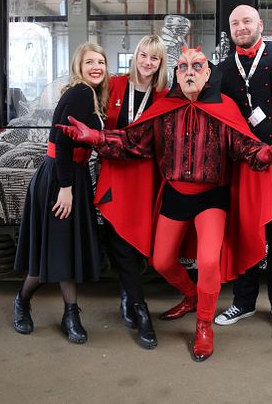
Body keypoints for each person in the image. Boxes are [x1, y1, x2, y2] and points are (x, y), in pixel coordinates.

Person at [58, 46, 272, 361]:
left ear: (208, 73)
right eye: (182, 67)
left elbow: (244, 147)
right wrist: (94, 138)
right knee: (162, 261)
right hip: (175, 195)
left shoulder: (225, 107)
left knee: (209, 261)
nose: (190, 72)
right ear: (176, 74)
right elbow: (130, 143)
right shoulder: (165, 108)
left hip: (212, 197)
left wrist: (263, 155)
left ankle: (204, 325)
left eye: (197, 66)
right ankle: (193, 296)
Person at [12, 42, 109, 344]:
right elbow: (61, 139)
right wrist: (65, 189)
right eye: (89, 61)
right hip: (61, 178)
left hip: (67, 175)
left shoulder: (87, 94)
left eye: (101, 62)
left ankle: (68, 312)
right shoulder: (81, 92)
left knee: (60, 248)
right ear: (79, 67)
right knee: (55, 250)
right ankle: (25, 302)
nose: (96, 67)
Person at [214, 4, 272, 332]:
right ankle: (243, 302)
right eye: (235, 23)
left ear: (260, 24)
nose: (241, 27)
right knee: (245, 235)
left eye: (247, 21)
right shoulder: (221, 70)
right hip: (244, 168)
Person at [95, 35, 168, 349]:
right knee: (117, 239)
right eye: (143, 56)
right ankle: (139, 307)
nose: (148, 63)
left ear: (160, 63)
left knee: (138, 242)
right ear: (135, 56)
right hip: (115, 173)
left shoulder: (163, 95)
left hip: (146, 179)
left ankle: (128, 292)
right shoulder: (115, 85)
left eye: (154, 58)